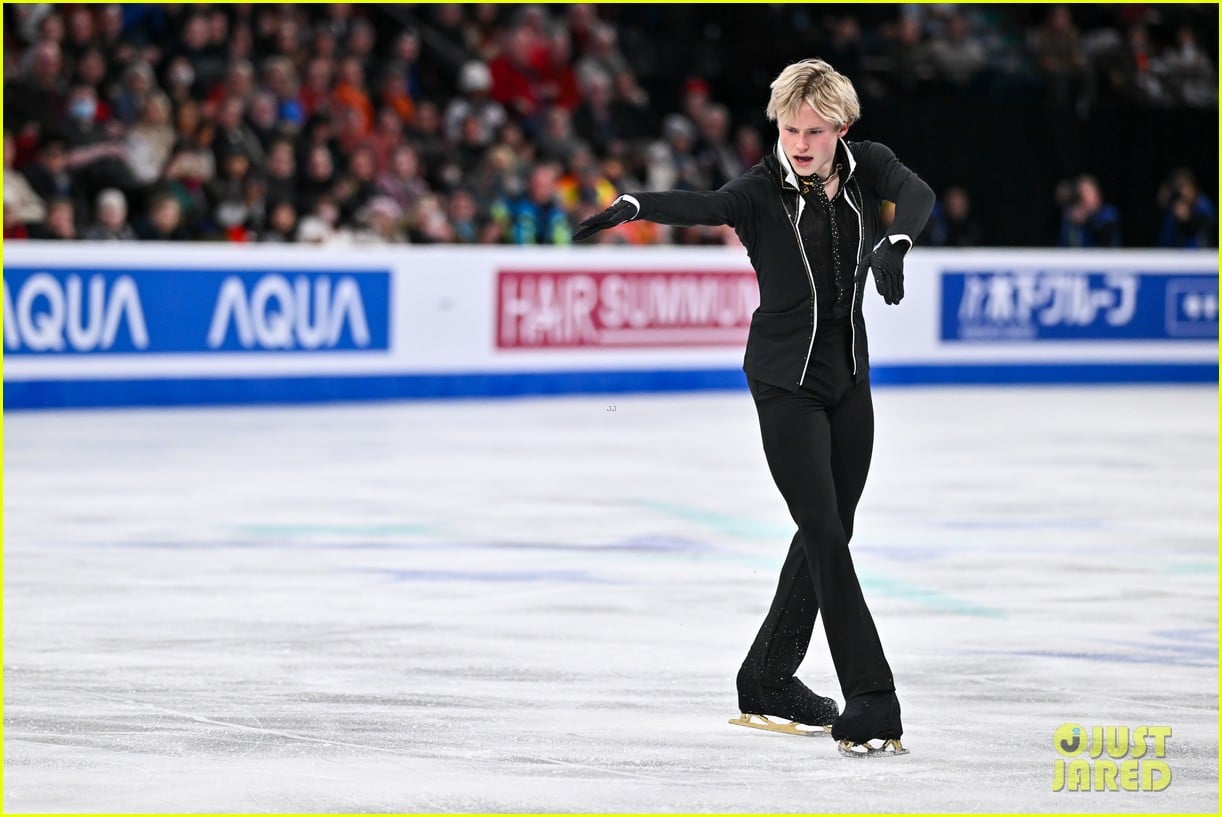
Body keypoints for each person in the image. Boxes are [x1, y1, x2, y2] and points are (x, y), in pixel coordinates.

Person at [574, 58, 934, 758]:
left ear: (843, 128)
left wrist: (896, 239)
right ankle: (873, 695)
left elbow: (915, 193)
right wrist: (636, 205)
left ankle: (766, 675)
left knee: (833, 528)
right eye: (789, 127)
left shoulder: (869, 167)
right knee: (823, 530)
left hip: (849, 378)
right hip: (783, 383)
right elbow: (705, 204)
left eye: (815, 130)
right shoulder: (761, 190)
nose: (799, 142)